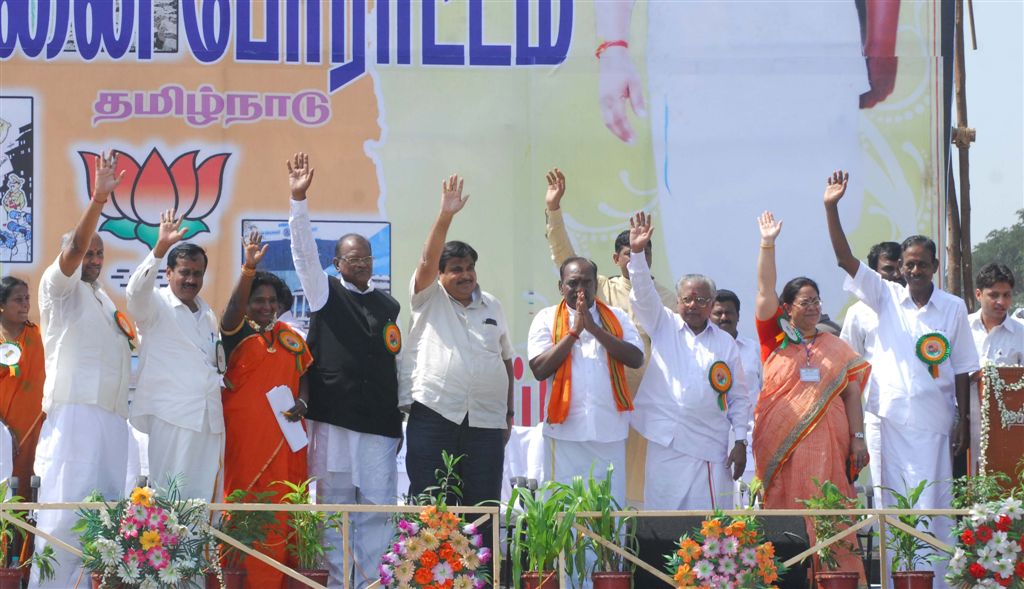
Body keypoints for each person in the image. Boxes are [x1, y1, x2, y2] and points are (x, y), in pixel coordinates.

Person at [593, 1, 900, 328]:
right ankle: (715, 366)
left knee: (813, 233)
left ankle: (808, 359)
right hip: (693, 49)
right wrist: (613, 47)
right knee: (704, 240)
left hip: (813, 42)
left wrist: (881, 41)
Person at [824, 170, 978, 588]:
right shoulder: (884, 297)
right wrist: (831, 207)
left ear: (934, 266)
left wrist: (962, 421)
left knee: (934, 505)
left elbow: (963, 366)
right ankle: (897, 583)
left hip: (934, 422)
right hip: (890, 420)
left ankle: (938, 582)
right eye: (908, 265)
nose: (913, 271)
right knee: (893, 506)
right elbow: (844, 258)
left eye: (921, 265)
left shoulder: (952, 308)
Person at [287, 153, 404, 589]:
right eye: (352, 259)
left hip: (378, 425)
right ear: (337, 264)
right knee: (334, 513)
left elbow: (396, 364)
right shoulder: (324, 294)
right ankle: (335, 585)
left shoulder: (389, 306)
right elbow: (302, 255)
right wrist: (299, 201)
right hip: (334, 423)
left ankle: (373, 584)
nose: (361, 264)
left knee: (377, 511)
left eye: (366, 258)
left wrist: (399, 417)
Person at [543, 168, 676, 505]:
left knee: (641, 483)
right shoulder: (599, 289)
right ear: (616, 258)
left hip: (650, 401)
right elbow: (565, 258)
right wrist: (554, 211)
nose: (638, 259)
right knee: (603, 485)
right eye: (630, 253)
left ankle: (635, 549)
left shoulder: (668, 298)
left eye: (644, 252)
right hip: (609, 402)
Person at [32, 152, 134, 589]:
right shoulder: (60, 288)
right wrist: (98, 201)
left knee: (106, 521)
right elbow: (74, 248)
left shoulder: (104, 298)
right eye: (87, 250)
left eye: (99, 252)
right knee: (65, 518)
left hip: (112, 420)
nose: (92, 256)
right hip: (75, 418)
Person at [751, 208, 870, 579]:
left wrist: (858, 439)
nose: (815, 306)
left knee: (830, 510)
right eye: (806, 301)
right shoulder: (773, 338)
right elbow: (763, 290)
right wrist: (767, 244)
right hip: (781, 446)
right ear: (787, 308)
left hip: (831, 446)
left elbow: (852, 395)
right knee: (786, 513)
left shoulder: (834, 345)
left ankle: (837, 580)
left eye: (817, 300)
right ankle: (785, 578)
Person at [402, 175, 513, 517]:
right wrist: (446, 216)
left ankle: (480, 573)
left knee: (483, 509)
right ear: (439, 275)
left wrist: (508, 414)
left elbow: (506, 359)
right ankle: (430, 572)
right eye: (456, 269)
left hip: (487, 422)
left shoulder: (492, 306)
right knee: (434, 505)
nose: (466, 275)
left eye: (470, 268)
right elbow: (426, 259)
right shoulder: (427, 297)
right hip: (436, 414)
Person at [624, 213, 750, 510]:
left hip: (709, 446)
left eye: (701, 300)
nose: (693, 305)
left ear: (712, 303)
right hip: (666, 440)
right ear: (677, 301)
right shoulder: (663, 324)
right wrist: (638, 255)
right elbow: (643, 294)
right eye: (687, 299)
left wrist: (741, 441)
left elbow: (739, 397)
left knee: (708, 527)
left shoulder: (724, 342)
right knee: (662, 517)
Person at [220, 231, 312, 588]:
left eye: (272, 300)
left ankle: (279, 580)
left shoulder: (291, 337)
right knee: (243, 504)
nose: (266, 306)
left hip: (285, 440)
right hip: (244, 439)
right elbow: (231, 310)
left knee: (282, 509)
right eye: (258, 300)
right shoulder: (236, 331)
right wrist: (248, 268)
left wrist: (304, 402)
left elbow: (306, 375)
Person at [526, 256, 643, 504]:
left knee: (609, 507)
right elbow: (539, 369)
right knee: (563, 509)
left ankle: (607, 546)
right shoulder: (546, 318)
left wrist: (595, 330)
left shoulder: (617, 317)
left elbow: (635, 358)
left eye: (586, 282)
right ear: (560, 287)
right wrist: (574, 332)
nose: (580, 289)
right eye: (573, 283)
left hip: (608, 433)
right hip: (565, 433)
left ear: (595, 285)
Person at [127, 210, 223, 501]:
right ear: (168, 273)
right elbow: (134, 293)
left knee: (201, 500)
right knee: (170, 499)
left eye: (197, 273)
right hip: (172, 416)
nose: (191, 280)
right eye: (184, 272)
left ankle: (196, 549)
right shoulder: (155, 306)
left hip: (208, 418)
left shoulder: (207, 314)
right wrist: (159, 249)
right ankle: (169, 549)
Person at [839, 240, 902, 507]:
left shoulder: (915, 308)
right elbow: (848, 367)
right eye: (888, 269)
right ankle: (889, 547)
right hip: (876, 412)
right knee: (883, 484)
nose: (897, 274)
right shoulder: (858, 313)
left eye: (900, 267)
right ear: (874, 274)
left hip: (917, 413)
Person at [968, 263, 1024, 470]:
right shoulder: (962, 327)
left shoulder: (1021, 333)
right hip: (964, 421)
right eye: (994, 295)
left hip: (1008, 426)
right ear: (978, 294)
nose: (1001, 302)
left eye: (1007, 295)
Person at [710, 289, 761, 505]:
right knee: (718, 503)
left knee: (749, 504)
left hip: (749, 440)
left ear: (738, 316)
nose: (724, 317)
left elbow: (767, 390)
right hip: (713, 439)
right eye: (718, 313)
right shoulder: (704, 350)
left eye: (729, 312)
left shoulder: (754, 350)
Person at [0, 276, 44, 502]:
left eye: (27, 298)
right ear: (2, 304)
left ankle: (26, 538)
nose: (26, 304)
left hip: (34, 429)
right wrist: (5, 431)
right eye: (18, 300)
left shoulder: (36, 335)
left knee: (28, 487)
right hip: (2, 430)